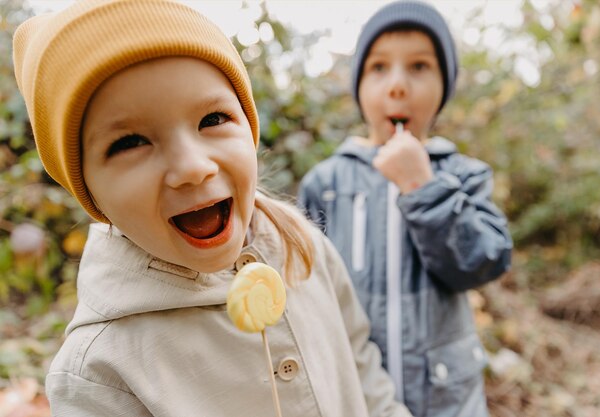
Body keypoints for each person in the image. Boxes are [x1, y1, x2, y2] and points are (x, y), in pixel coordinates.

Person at [12, 1, 414, 415]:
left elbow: (363, 366)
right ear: (88, 191)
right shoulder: (99, 370)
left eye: (213, 119)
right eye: (130, 142)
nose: (191, 167)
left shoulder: (303, 245)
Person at [298, 1, 513, 416]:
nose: (397, 85)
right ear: (358, 86)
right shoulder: (326, 184)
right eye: (379, 68)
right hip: (358, 395)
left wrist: (422, 186)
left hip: (448, 397)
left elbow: (485, 261)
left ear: (444, 87)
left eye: (419, 67)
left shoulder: (462, 174)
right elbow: (309, 295)